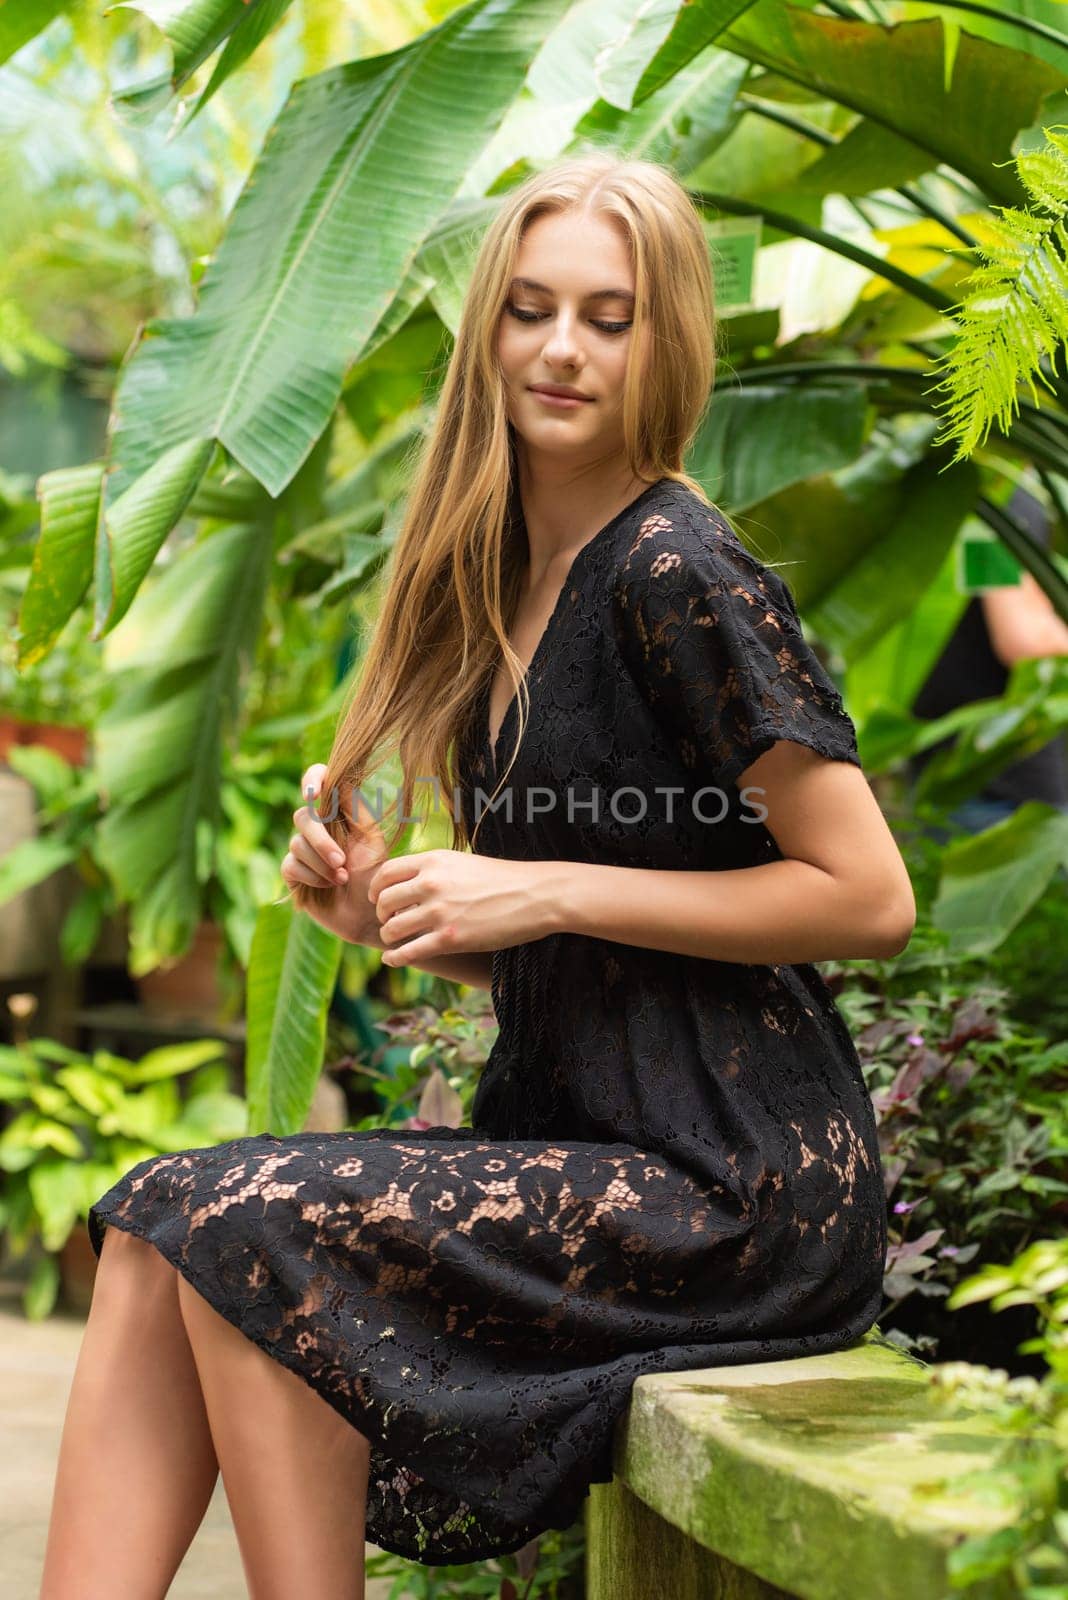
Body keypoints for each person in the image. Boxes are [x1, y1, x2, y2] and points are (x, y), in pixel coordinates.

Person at [42, 153, 915, 1599]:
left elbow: (866, 899)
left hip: (736, 1184)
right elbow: (592, 955)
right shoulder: (506, 573)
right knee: (156, 1219)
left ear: (668, 338)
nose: (561, 348)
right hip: (601, 1139)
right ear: (487, 332)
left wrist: (548, 884)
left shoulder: (676, 566)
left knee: (259, 1231)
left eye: (608, 316)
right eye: (528, 309)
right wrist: (394, 912)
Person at [907, 483, 1068, 841]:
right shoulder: (1004, 500)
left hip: (945, 769)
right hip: (1003, 790)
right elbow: (1025, 640)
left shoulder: (956, 494)